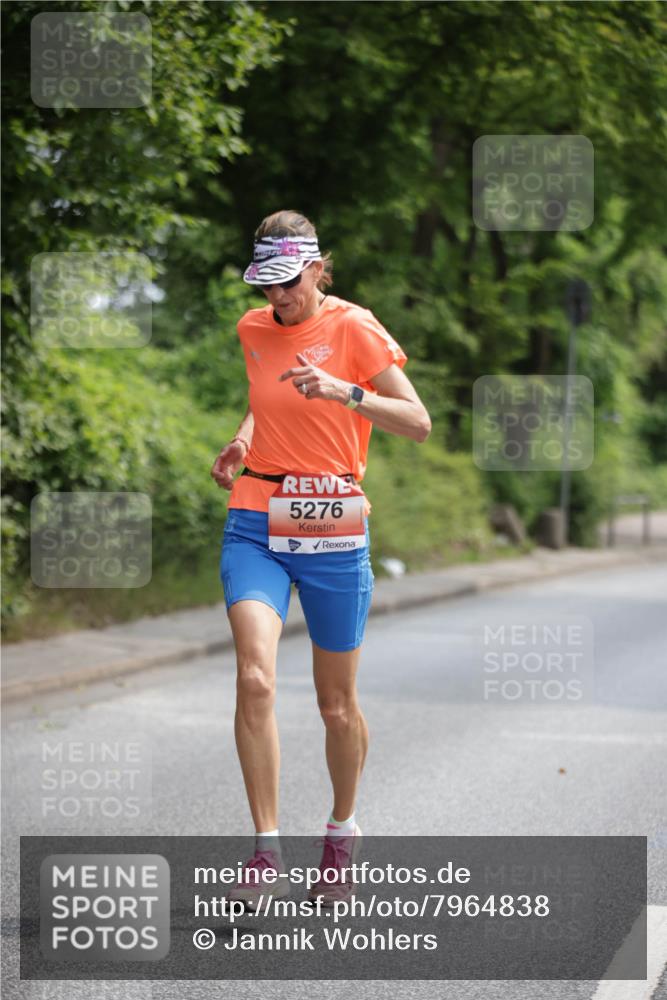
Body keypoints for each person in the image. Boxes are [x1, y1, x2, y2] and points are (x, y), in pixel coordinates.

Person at [210, 210, 431, 907]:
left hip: (334, 522)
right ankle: (265, 851)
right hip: (255, 519)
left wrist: (345, 392)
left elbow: (417, 422)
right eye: (267, 286)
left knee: (335, 706)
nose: (278, 299)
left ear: (316, 268)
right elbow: (268, 401)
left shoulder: (353, 327)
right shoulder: (250, 330)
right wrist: (244, 438)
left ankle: (340, 831)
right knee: (254, 678)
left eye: (289, 283)